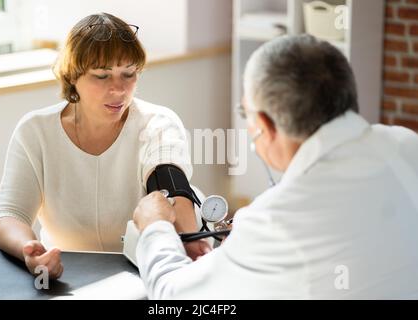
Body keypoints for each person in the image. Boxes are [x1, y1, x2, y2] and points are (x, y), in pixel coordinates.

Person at [133, 34, 418, 299]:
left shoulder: (274, 223)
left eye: (247, 113)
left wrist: (155, 228)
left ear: (266, 126)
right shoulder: (406, 145)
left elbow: (175, 297)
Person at [0, 13, 209, 280]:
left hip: (144, 271)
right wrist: (28, 250)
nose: (119, 89)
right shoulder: (35, 131)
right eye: (102, 76)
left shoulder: (158, 124)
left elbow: (172, 192)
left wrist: (187, 237)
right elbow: (10, 214)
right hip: (67, 275)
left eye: (128, 73)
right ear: (73, 76)